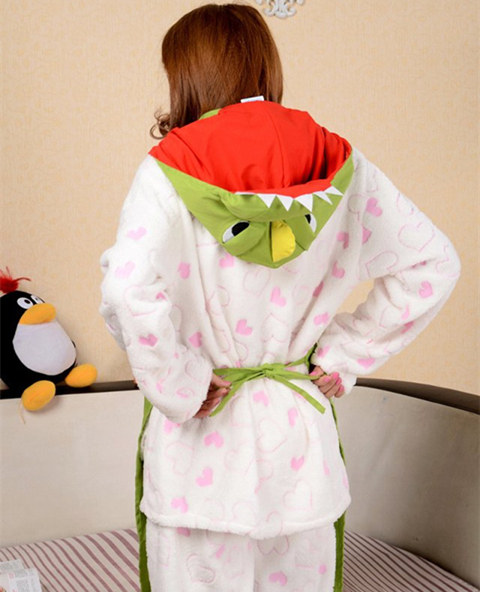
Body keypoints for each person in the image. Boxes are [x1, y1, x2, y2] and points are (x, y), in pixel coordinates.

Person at [99, 4, 460, 591]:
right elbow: (433, 262)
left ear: (186, 76)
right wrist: (346, 351)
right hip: (300, 454)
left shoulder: (169, 169)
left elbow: (125, 288)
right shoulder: (340, 164)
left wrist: (181, 382)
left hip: (200, 460)